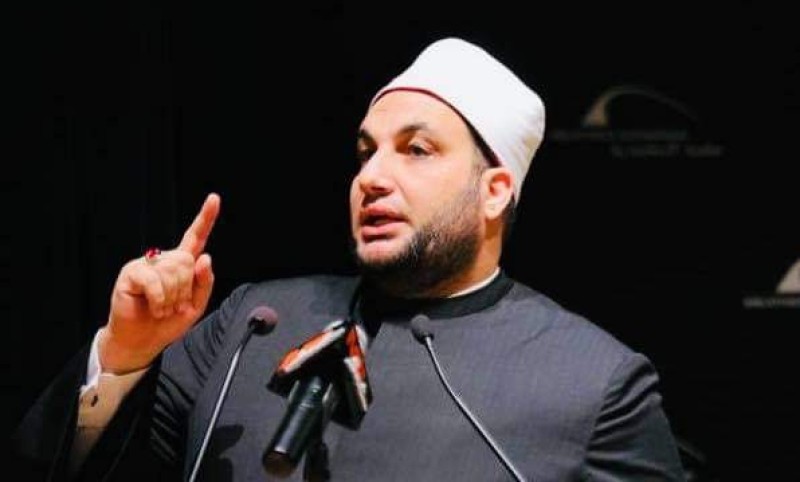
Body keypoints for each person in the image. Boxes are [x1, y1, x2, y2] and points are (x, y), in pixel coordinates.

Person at [11, 37, 686, 481]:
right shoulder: (252, 325)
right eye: (367, 152)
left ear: (495, 190)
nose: (373, 177)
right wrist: (124, 356)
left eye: (416, 150)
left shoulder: (593, 382)